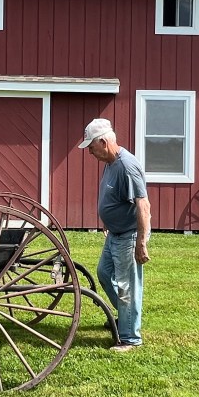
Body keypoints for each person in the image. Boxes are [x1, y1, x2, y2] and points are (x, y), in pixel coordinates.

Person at [78, 118, 150, 351]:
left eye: (91, 146)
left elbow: (143, 205)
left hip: (128, 235)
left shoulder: (127, 166)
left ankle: (130, 339)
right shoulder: (110, 163)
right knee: (104, 272)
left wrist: (141, 242)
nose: (90, 152)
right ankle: (126, 319)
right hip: (114, 233)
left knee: (127, 286)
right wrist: (108, 220)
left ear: (103, 142)